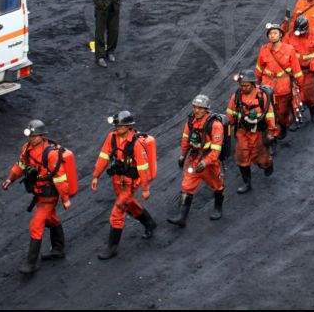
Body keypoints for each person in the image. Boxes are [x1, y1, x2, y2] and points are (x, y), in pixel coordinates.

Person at [2, 120, 72, 275]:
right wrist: (10, 178)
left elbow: (60, 178)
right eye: (30, 135)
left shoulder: (51, 154)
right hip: (39, 193)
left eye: (35, 136)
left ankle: (30, 263)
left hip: (49, 195)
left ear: (42, 136)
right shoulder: (26, 149)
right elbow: (20, 166)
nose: (32, 139)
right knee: (51, 219)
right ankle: (58, 249)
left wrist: (65, 198)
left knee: (36, 224)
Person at [91, 110, 157, 260]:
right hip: (117, 179)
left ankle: (112, 247)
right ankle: (149, 223)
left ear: (129, 127)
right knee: (128, 205)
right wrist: (96, 175)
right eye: (116, 126)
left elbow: (142, 168)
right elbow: (103, 156)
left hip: (130, 182)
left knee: (118, 212)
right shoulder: (111, 137)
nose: (117, 128)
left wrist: (145, 188)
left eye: (120, 126)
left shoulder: (136, 143)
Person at [167, 95, 225, 227]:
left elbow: (216, 150)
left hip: (210, 162)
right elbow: (186, 139)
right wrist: (182, 155)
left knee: (217, 185)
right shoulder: (191, 121)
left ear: (206, 110)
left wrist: (205, 162)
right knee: (187, 185)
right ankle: (182, 217)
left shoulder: (215, 125)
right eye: (194, 107)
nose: (196, 110)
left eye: (200, 108)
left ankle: (218, 208)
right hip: (194, 159)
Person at [226, 70, 277, 194]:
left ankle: (268, 164)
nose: (243, 88)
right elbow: (230, 115)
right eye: (241, 85)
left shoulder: (262, 96)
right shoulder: (236, 97)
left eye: (246, 85)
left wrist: (271, 131)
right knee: (241, 159)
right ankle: (247, 183)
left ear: (253, 84)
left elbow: (269, 114)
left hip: (259, 134)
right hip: (243, 132)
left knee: (262, 159)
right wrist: (227, 129)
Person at [256, 23, 304, 139]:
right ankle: (272, 133)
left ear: (280, 35)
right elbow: (259, 68)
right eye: (270, 34)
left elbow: (296, 70)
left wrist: (299, 85)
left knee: (282, 113)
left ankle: (283, 127)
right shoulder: (264, 49)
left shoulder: (289, 50)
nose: (272, 36)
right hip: (267, 87)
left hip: (284, 88)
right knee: (268, 112)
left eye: (275, 33)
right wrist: (258, 83)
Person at [283, 16, 314, 123]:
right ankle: (295, 117)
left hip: (309, 71)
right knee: (291, 95)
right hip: (293, 71)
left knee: (309, 94)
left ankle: (312, 111)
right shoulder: (289, 36)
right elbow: (283, 51)